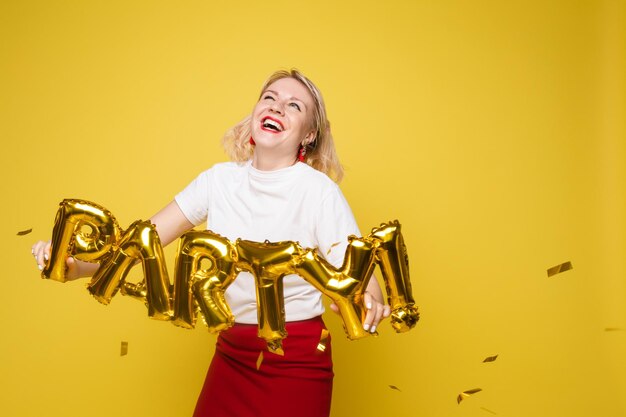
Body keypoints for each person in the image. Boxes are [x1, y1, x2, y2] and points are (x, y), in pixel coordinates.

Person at [32, 69, 391, 417]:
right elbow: (141, 245)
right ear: (255, 113)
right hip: (232, 354)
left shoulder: (318, 192)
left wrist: (369, 301)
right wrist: (77, 265)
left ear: (309, 135)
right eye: (269, 98)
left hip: (296, 360)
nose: (277, 107)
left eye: (294, 106)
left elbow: (359, 273)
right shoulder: (217, 182)